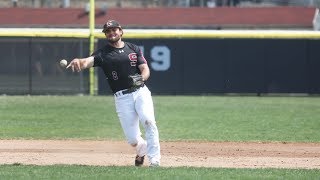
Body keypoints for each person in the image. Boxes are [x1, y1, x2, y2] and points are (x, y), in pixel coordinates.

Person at [66, 20, 161, 167]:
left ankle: (155, 161)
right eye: (108, 31)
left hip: (141, 92)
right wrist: (79, 61)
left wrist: (141, 78)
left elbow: (145, 69)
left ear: (121, 31)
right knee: (132, 140)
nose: (111, 33)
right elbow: (88, 61)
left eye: (114, 30)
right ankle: (141, 150)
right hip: (122, 98)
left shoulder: (133, 48)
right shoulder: (103, 53)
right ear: (106, 35)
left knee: (149, 122)